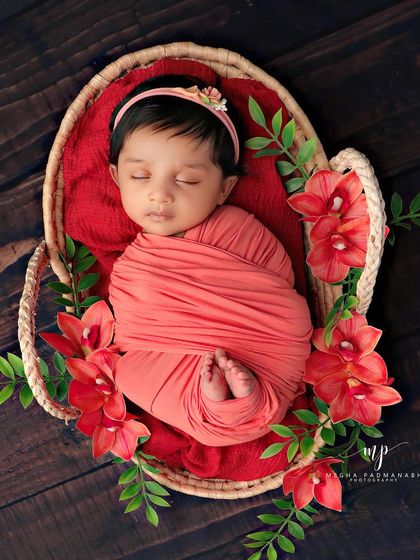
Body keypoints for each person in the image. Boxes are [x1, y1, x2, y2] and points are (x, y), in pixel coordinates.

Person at [108, 75, 313, 446]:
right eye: (139, 175)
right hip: (172, 363)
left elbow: (278, 293)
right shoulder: (131, 265)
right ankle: (226, 401)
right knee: (129, 375)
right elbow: (135, 330)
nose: (159, 195)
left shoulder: (236, 231)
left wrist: (227, 332)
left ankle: (234, 398)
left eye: (186, 180)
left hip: (259, 346)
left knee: (134, 377)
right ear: (116, 178)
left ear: (224, 188)